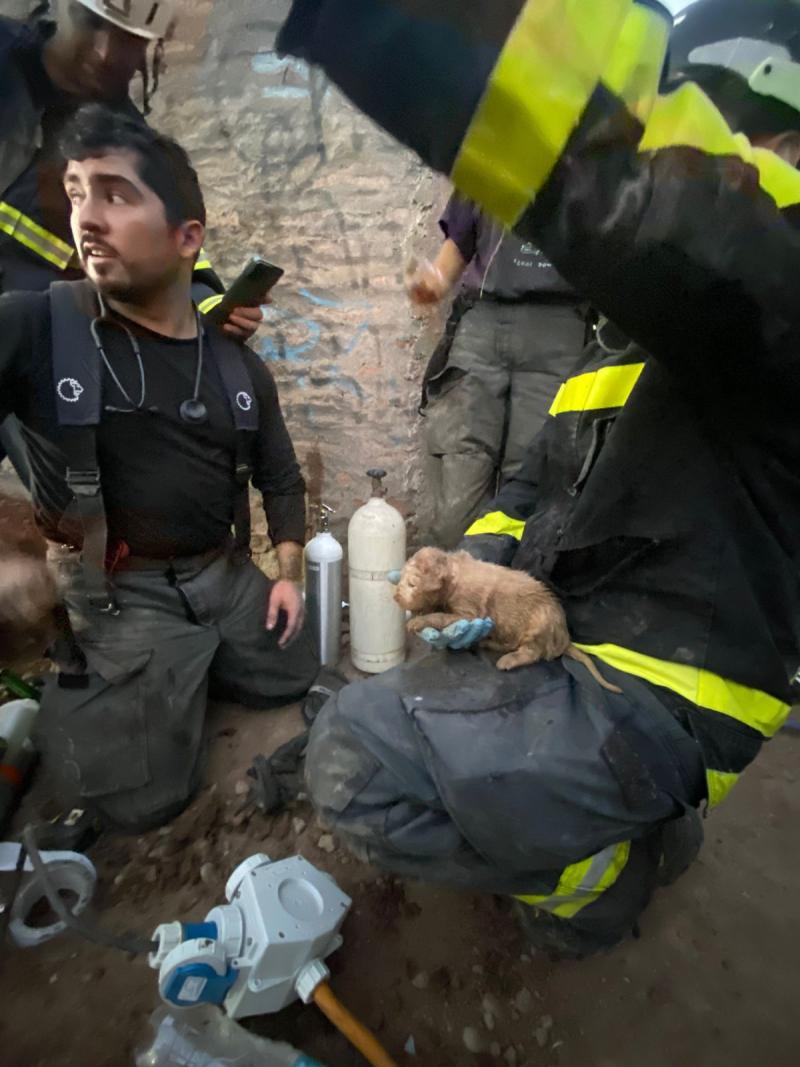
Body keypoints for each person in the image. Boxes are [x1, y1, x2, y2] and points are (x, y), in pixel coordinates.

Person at [277, 0, 800, 956]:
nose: (725, 169)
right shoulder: (618, 339)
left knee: (356, 759)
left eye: (744, 144)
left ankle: (606, 877)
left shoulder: (774, 301)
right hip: (580, 644)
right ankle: (607, 826)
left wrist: (400, 26)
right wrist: (473, 567)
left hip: (670, 691)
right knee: (412, 703)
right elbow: (529, 485)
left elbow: (673, 200)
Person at [0, 104, 319, 831]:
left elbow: (281, 477)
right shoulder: (35, 327)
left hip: (224, 573)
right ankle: (149, 684)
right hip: (120, 589)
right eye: (77, 192)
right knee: (145, 802)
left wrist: (291, 571)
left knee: (297, 674)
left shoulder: (237, 365)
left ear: (187, 238)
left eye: (116, 194)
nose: (87, 217)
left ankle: (186, 673)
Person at [0, 0, 263, 482]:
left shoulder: (125, 136)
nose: (103, 54)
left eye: (126, 42)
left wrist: (210, 306)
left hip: (38, 336)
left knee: (73, 501)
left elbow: (174, 247)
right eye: (93, 25)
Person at [408, 194, 588, 547]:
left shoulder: (597, 157)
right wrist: (434, 281)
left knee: (530, 483)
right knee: (458, 480)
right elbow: (458, 242)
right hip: (483, 320)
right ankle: (449, 591)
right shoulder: (491, 152)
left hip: (560, 325)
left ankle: (510, 597)